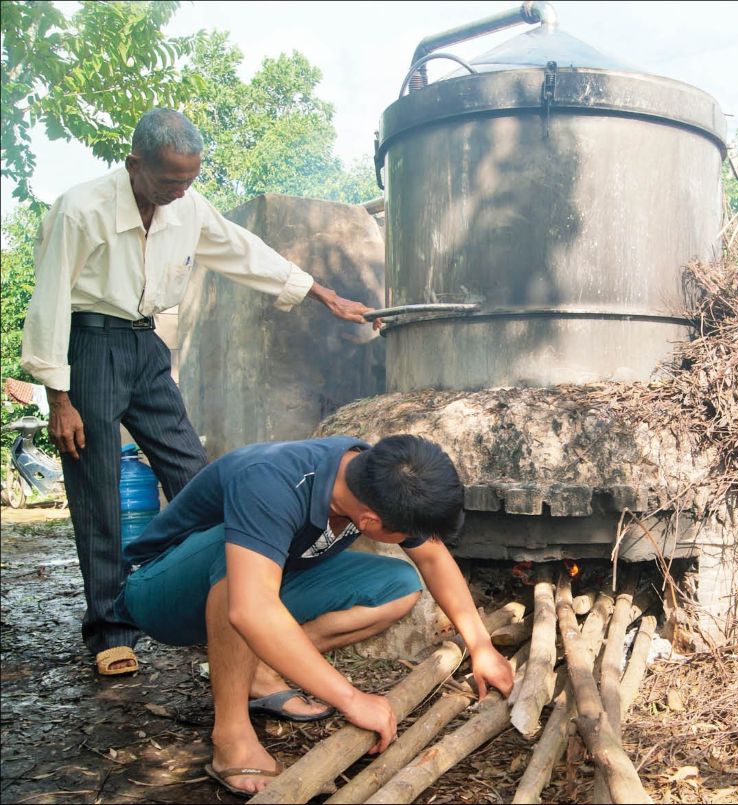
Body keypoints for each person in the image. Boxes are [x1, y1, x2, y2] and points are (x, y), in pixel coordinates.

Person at [20, 108, 377, 677]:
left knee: (196, 474)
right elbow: (50, 300)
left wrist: (323, 294)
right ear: (135, 164)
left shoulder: (187, 206)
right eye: (170, 180)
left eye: (190, 179)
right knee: (97, 485)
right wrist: (58, 398)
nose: (181, 191)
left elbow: (244, 250)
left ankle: (213, 602)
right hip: (89, 345)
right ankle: (110, 627)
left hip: (146, 347)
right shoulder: (81, 208)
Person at [115, 433, 515, 797]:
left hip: (260, 585)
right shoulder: (270, 482)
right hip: (160, 592)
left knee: (398, 585)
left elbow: (432, 557)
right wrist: (351, 698)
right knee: (239, 563)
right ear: (370, 522)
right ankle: (231, 736)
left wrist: (480, 645)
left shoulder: (373, 479)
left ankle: (257, 671)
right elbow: (251, 608)